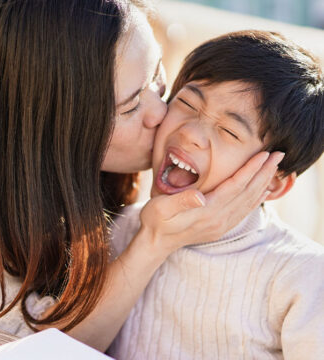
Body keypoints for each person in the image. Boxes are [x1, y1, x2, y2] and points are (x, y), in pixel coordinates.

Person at [0, 0, 281, 352]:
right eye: (129, 107)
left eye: (157, 77)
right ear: (51, 126)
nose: (161, 112)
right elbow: (38, 352)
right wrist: (156, 241)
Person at [108, 30, 324, 359]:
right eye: (187, 103)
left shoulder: (301, 276)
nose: (191, 133)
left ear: (274, 182)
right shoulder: (117, 230)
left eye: (228, 130)